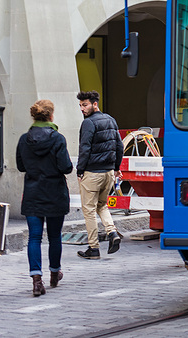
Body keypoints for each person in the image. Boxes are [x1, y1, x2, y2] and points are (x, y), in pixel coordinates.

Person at [16, 99, 72, 297]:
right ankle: (55, 273)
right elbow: (66, 167)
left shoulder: (24, 139)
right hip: (54, 192)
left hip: (32, 193)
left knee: (34, 237)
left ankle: (36, 280)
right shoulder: (57, 138)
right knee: (55, 236)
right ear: (51, 116)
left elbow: (21, 166)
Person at [76, 90, 124, 259]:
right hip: (109, 173)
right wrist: (116, 167)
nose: (82, 108)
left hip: (92, 173)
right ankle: (112, 233)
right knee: (102, 205)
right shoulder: (111, 120)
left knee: (88, 210)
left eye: (85, 105)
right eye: (81, 105)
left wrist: (80, 170)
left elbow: (85, 148)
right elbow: (120, 146)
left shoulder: (89, 123)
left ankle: (94, 248)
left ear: (95, 104)